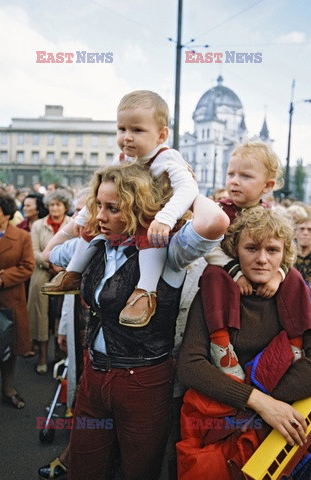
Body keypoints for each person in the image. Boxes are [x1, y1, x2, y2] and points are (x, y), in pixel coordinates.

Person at [50, 162, 228, 480]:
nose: (101, 216)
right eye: (98, 205)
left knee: (138, 472)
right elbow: (50, 253)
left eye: (112, 208)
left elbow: (213, 221)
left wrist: (181, 184)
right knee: (84, 468)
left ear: (139, 208)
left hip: (143, 381)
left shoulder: (168, 251)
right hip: (95, 374)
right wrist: (81, 221)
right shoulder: (97, 243)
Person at [41, 90, 199, 329]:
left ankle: (145, 291)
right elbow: (100, 194)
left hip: (155, 225)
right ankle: (73, 273)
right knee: (95, 222)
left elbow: (189, 189)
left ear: (161, 135)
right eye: (122, 129)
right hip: (127, 225)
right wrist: (83, 218)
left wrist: (166, 218)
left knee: (149, 225)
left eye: (137, 130)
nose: (127, 137)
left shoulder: (168, 158)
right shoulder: (123, 159)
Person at [176, 207, 311, 480]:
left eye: (272, 250)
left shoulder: (298, 294)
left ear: (285, 255)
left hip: (279, 428)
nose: (262, 259)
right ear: (235, 250)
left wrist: (269, 407)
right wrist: (258, 402)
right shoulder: (215, 292)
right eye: (252, 248)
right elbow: (190, 365)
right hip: (217, 426)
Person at [205, 141, 287, 380]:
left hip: (261, 283)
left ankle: (297, 338)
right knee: (213, 274)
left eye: (245, 176)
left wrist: (279, 274)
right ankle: (220, 343)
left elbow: (286, 253)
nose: (234, 181)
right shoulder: (220, 211)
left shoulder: (272, 215)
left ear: (267, 186)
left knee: (293, 280)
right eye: (231, 173)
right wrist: (235, 272)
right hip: (229, 282)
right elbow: (209, 248)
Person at [0, 193, 35, 408]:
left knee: (8, 348)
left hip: (10, 299)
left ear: (6, 213)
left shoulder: (23, 237)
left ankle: (8, 390)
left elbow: (27, 267)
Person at [27, 189, 73, 374]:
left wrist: (60, 267)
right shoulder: (38, 225)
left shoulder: (72, 224)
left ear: (65, 207)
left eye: (58, 205)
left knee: (62, 313)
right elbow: (34, 251)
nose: (54, 208)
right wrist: (50, 263)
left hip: (65, 271)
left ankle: (61, 355)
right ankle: (43, 357)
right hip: (43, 270)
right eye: (51, 205)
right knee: (41, 314)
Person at [294, 215, 311, 295]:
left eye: (310, 230)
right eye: (302, 229)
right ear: (295, 233)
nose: (305, 233)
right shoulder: (287, 254)